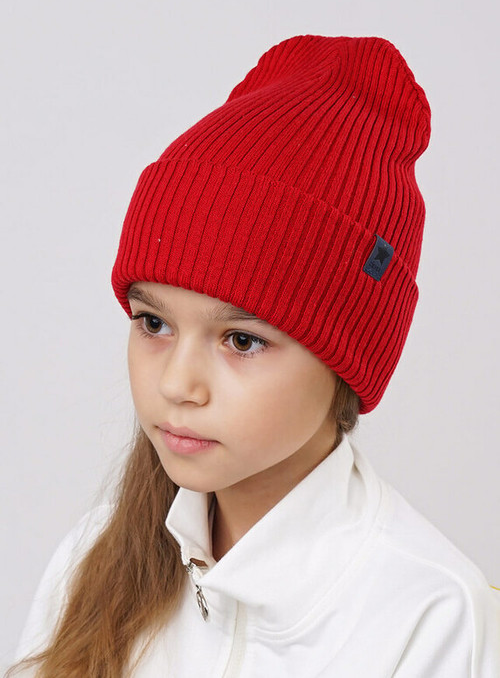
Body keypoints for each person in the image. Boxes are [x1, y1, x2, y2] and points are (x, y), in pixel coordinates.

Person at [9, 34, 500, 677]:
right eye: (153, 323)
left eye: (242, 340)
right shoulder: (93, 557)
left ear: (346, 358)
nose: (178, 383)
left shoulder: (434, 616)